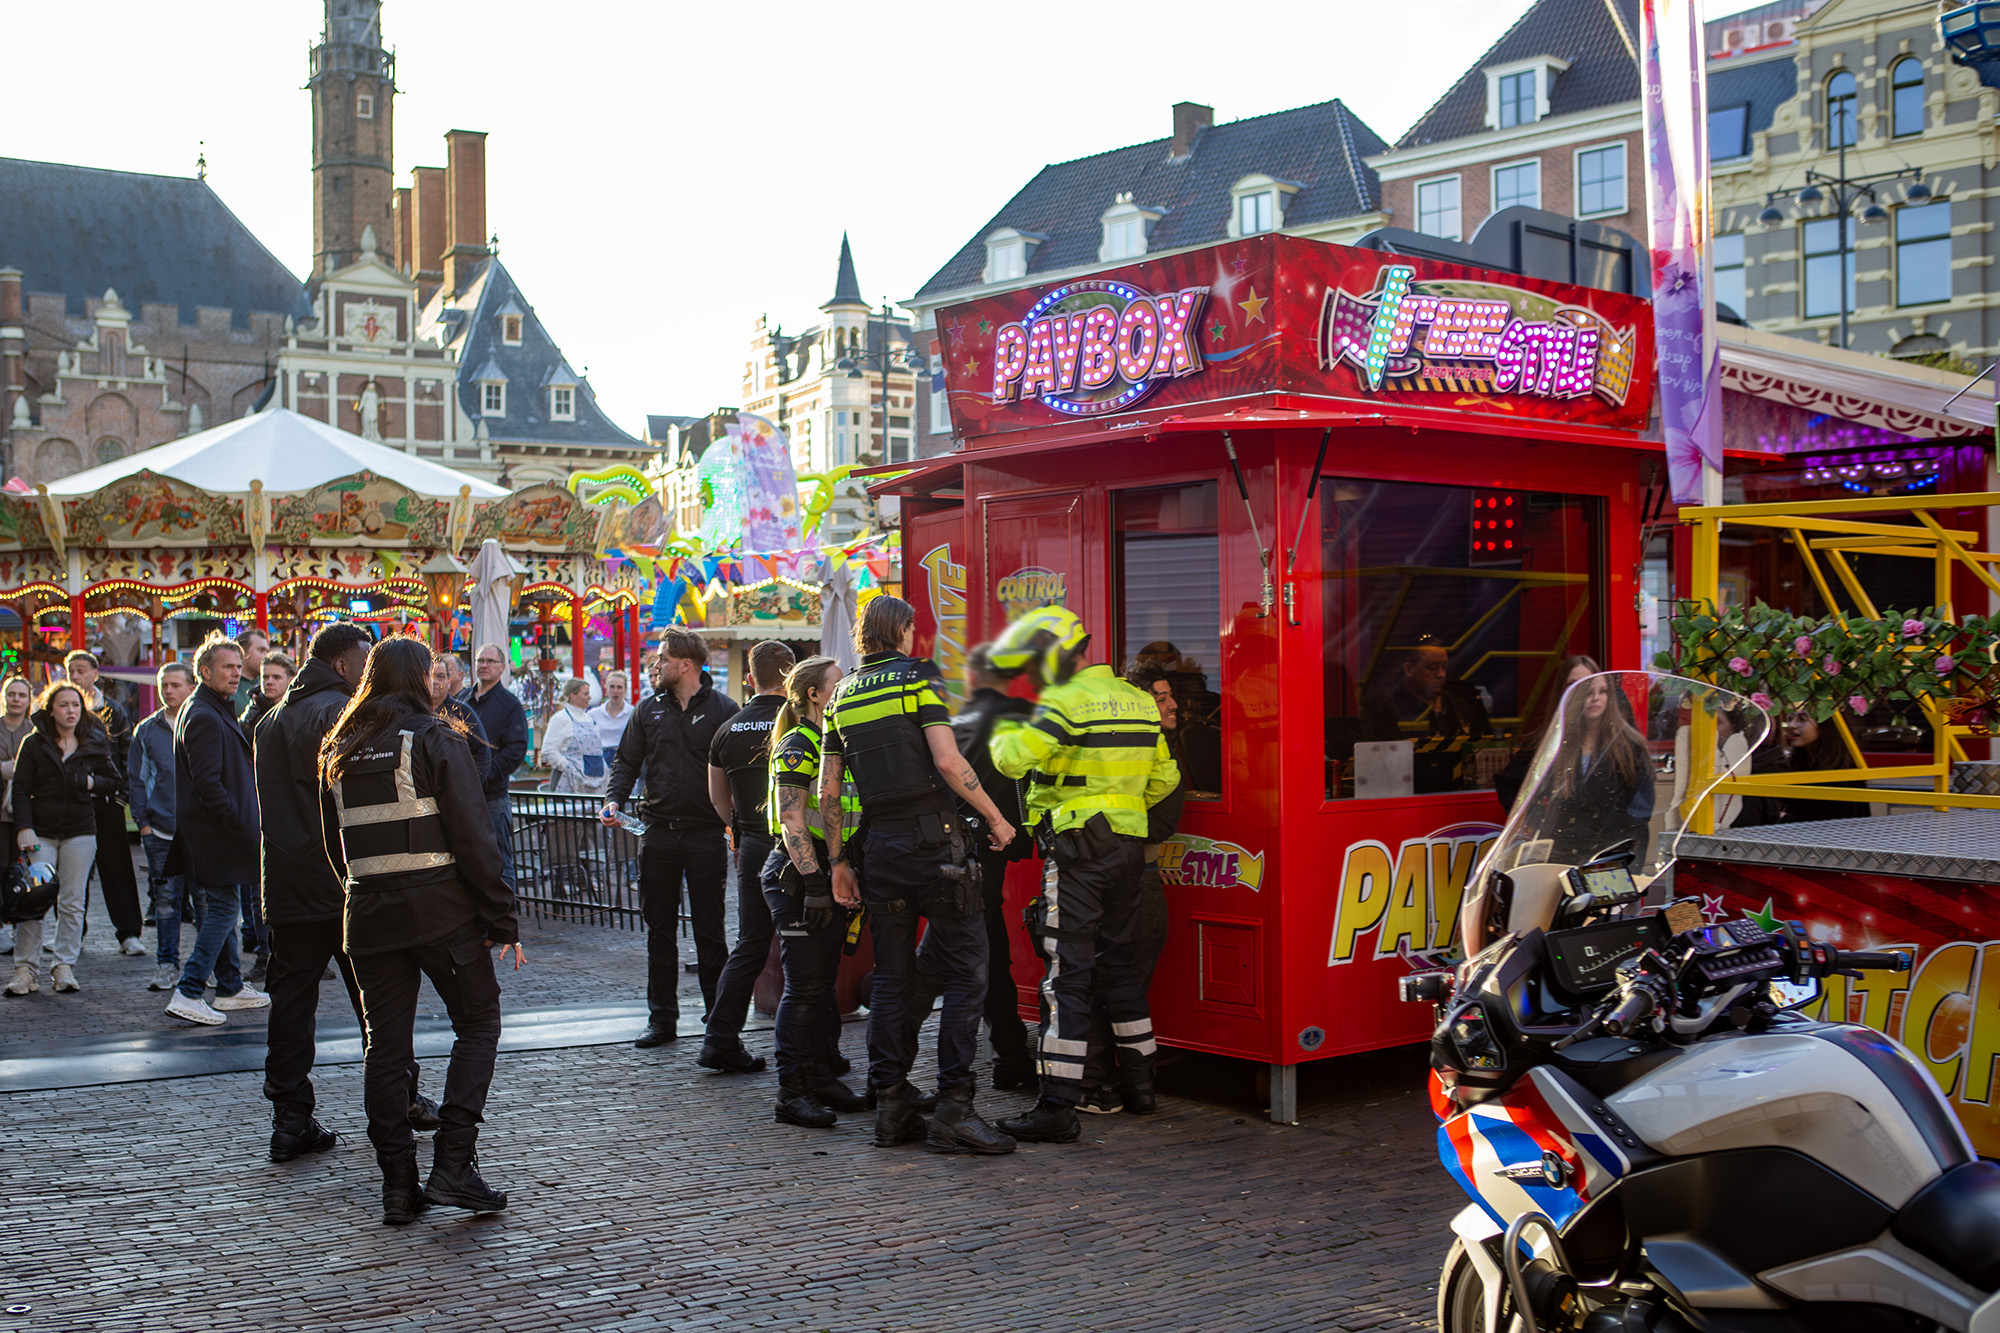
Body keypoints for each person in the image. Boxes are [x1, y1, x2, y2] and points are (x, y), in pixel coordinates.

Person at [320, 638, 523, 1225]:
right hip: (441, 912)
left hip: (369, 914)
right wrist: (500, 916)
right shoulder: (434, 738)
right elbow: (474, 835)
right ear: (418, 679)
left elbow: (336, 846)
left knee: (385, 1047)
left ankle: (398, 1187)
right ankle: (454, 1164)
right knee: (479, 1024)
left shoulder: (340, 746)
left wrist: (364, 892)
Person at [819, 596, 1017, 1155]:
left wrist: (839, 862)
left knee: (893, 978)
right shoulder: (918, 683)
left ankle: (891, 1105)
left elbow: (828, 792)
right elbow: (951, 762)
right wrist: (998, 820)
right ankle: (955, 1105)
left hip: (880, 851)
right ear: (903, 631)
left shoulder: (841, 697)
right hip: (937, 845)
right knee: (967, 972)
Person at [986, 606, 1178, 1144]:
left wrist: (1007, 721)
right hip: (1129, 850)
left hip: (1077, 852)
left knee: (1065, 977)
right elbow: (1165, 779)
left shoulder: (1062, 701)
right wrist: (1121, 801)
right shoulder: (1140, 702)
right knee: (1119, 970)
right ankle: (1141, 1091)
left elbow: (1008, 761)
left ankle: (1057, 1106)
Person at [256, 623, 443, 1163]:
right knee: (381, 999)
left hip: (289, 880)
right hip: (348, 879)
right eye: (365, 659)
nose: (371, 670)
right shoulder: (345, 714)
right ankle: (401, 1100)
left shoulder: (271, 720)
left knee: (291, 1001)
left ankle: (290, 1117)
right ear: (342, 664)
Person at [905, 644, 1035, 1091]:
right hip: (988, 852)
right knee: (980, 958)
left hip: (950, 852)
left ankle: (1008, 1054)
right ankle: (1008, 1057)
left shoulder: (952, 725)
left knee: (956, 955)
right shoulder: (1021, 718)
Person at [601, 629, 738, 1048]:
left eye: (661, 659)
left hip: (705, 835)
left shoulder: (724, 709)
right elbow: (626, 761)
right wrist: (613, 800)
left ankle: (718, 1019)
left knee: (710, 931)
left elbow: (738, 771)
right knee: (658, 930)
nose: (654, 665)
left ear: (686, 664)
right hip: (657, 833)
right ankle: (662, 1019)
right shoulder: (648, 710)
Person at [760, 655, 870, 1125]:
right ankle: (792, 1092)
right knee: (804, 988)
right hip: (797, 878)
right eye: (837, 683)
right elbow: (790, 817)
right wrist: (814, 884)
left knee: (822, 985)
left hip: (826, 874)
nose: (843, 688)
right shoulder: (798, 742)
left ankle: (822, 1075)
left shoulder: (830, 742)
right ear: (814, 695)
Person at [1075, 659, 1188, 1116]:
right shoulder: (1146, 754)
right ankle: (1107, 1085)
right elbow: (1158, 822)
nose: (1173, 704)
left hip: (1120, 878)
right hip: (1129, 882)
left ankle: (1116, 1085)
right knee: (1114, 986)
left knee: (1118, 986)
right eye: (1160, 697)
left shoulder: (1143, 751)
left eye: (1169, 695)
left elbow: (1159, 824)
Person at [161, 633, 271, 1025]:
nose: (236, 673)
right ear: (204, 671)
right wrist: (237, 822)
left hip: (216, 832)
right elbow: (208, 782)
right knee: (225, 910)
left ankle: (229, 987)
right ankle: (190, 989)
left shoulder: (208, 708)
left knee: (222, 908)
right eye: (228, 666)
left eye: (238, 667)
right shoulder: (204, 714)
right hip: (216, 834)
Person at [700, 640, 794, 1075]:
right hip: (795, 844)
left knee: (751, 944)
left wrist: (740, 831)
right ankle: (813, 1050)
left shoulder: (726, 728)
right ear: (791, 672)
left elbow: (719, 802)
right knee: (810, 946)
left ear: (751, 678)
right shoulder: (798, 723)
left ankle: (719, 1037)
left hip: (754, 845)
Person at [5, 682, 121, 995]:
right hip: (40, 832)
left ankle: (63, 966)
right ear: (51, 709)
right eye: (63, 705)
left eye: (75, 705)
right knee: (33, 900)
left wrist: (90, 782)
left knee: (72, 902)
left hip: (80, 830)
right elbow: (20, 788)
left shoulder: (93, 740)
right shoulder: (34, 742)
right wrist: (23, 827)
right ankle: (25, 970)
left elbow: (114, 781)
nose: (70, 711)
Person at [65, 649, 145, 957]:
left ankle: (128, 933)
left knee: (117, 868)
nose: (75, 676)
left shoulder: (113, 710)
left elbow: (127, 754)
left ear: (95, 674)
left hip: (107, 799)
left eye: (81, 670)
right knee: (73, 872)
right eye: (71, 671)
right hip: (74, 802)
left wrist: (122, 796)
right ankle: (74, 934)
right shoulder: (59, 709)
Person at [1537, 673, 1655, 866]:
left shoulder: (1628, 745)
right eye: (1589, 692)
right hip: (1562, 854)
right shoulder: (1561, 742)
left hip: (1608, 854)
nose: (1595, 698)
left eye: (1603, 692)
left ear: (1610, 697)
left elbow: (1639, 815)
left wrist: (1628, 866)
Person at [129, 662, 195, 992]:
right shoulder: (147, 730)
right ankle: (167, 965)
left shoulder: (202, 722)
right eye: (163, 685)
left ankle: (205, 965)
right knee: (166, 902)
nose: (168, 691)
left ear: (191, 686)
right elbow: (137, 780)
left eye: (175, 684)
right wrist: (143, 824)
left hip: (200, 830)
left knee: (208, 902)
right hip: (160, 829)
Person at [1359, 639, 1492, 794]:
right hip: (1410, 793)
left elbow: (1485, 743)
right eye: (1432, 668)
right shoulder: (1385, 709)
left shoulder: (1459, 703)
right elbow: (1385, 764)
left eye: (1444, 667)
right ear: (1409, 669)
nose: (1441, 675)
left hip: (1462, 792)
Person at [1494, 655, 1602, 812]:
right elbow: (1508, 785)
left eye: (1588, 683)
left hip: (1604, 835)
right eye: (1573, 684)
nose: (1582, 691)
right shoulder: (1543, 741)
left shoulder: (1615, 739)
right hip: (1559, 834)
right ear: (1561, 691)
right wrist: (1529, 820)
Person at [464, 643, 529, 896]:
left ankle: (506, 925)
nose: (484, 665)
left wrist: (487, 776)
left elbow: (515, 750)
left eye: (490, 661)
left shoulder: (509, 704)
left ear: (502, 668)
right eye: (480, 660)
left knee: (499, 860)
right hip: (464, 794)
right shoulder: (463, 699)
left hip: (492, 797)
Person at [1737, 712, 1871, 826]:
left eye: (1802, 719)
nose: (1791, 726)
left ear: (1826, 725)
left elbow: (1842, 826)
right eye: (1790, 719)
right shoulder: (1796, 764)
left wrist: (1783, 818)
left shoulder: (1845, 775)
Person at [0, 674, 36, 960]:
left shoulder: (35, 729)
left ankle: (15, 921)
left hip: (26, 813)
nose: (16, 700)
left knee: (20, 871)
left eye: (21, 695)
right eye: (11, 694)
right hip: (0, 813)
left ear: (29, 699)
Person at [429, 655, 492, 788]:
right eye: (430, 675)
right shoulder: (415, 711)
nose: (435, 681)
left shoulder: (462, 712)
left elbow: (482, 753)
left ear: (449, 681)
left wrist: (468, 786)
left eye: (441, 676)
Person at [540, 678, 607, 795]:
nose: (589, 697)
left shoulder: (589, 719)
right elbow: (548, 750)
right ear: (573, 696)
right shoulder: (561, 718)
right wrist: (569, 769)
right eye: (585, 694)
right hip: (569, 785)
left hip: (596, 785)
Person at [589, 669, 634, 771]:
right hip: (600, 761)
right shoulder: (594, 714)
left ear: (625, 690)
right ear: (606, 688)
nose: (615, 691)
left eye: (619, 687)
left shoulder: (632, 713)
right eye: (612, 687)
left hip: (624, 760)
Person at [242, 650, 296, 732]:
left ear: (290, 681)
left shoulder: (297, 712)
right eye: (265, 677)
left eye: (276, 677)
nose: (269, 682)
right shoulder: (252, 710)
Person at [232, 628, 270, 716]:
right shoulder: (229, 685)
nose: (266, 656)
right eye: (261, 650)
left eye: (267, 651)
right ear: (243, 653)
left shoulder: (269, 683)